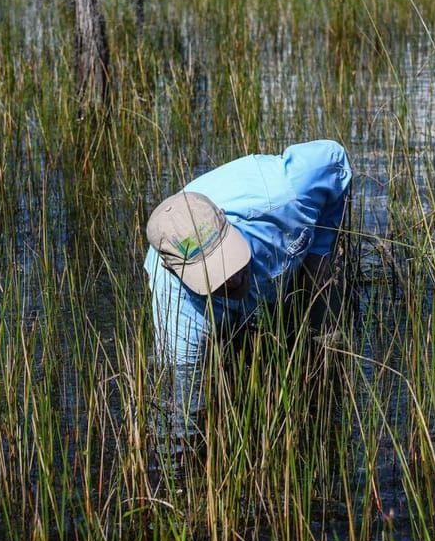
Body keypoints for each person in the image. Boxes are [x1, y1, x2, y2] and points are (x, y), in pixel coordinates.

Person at [143, 139, 353, 437]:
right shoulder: (177, 309)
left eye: (226, 257)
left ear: (226, 222)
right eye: (212, 276)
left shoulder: (287, 192)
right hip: (197, 315)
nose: (231, 279)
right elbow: (182, 407)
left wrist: (319, 251)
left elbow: (335, 159)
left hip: (268, 222)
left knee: (325, 344)